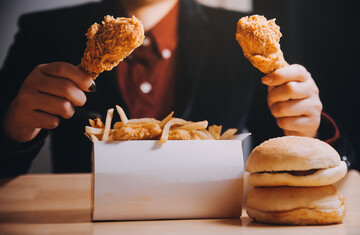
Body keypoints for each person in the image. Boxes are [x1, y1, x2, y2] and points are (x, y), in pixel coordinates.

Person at [0, 0, 349, 177]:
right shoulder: (44, 31)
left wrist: (309, 131)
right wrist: (13, 130)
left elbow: (332, 163)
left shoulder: (240, 36)